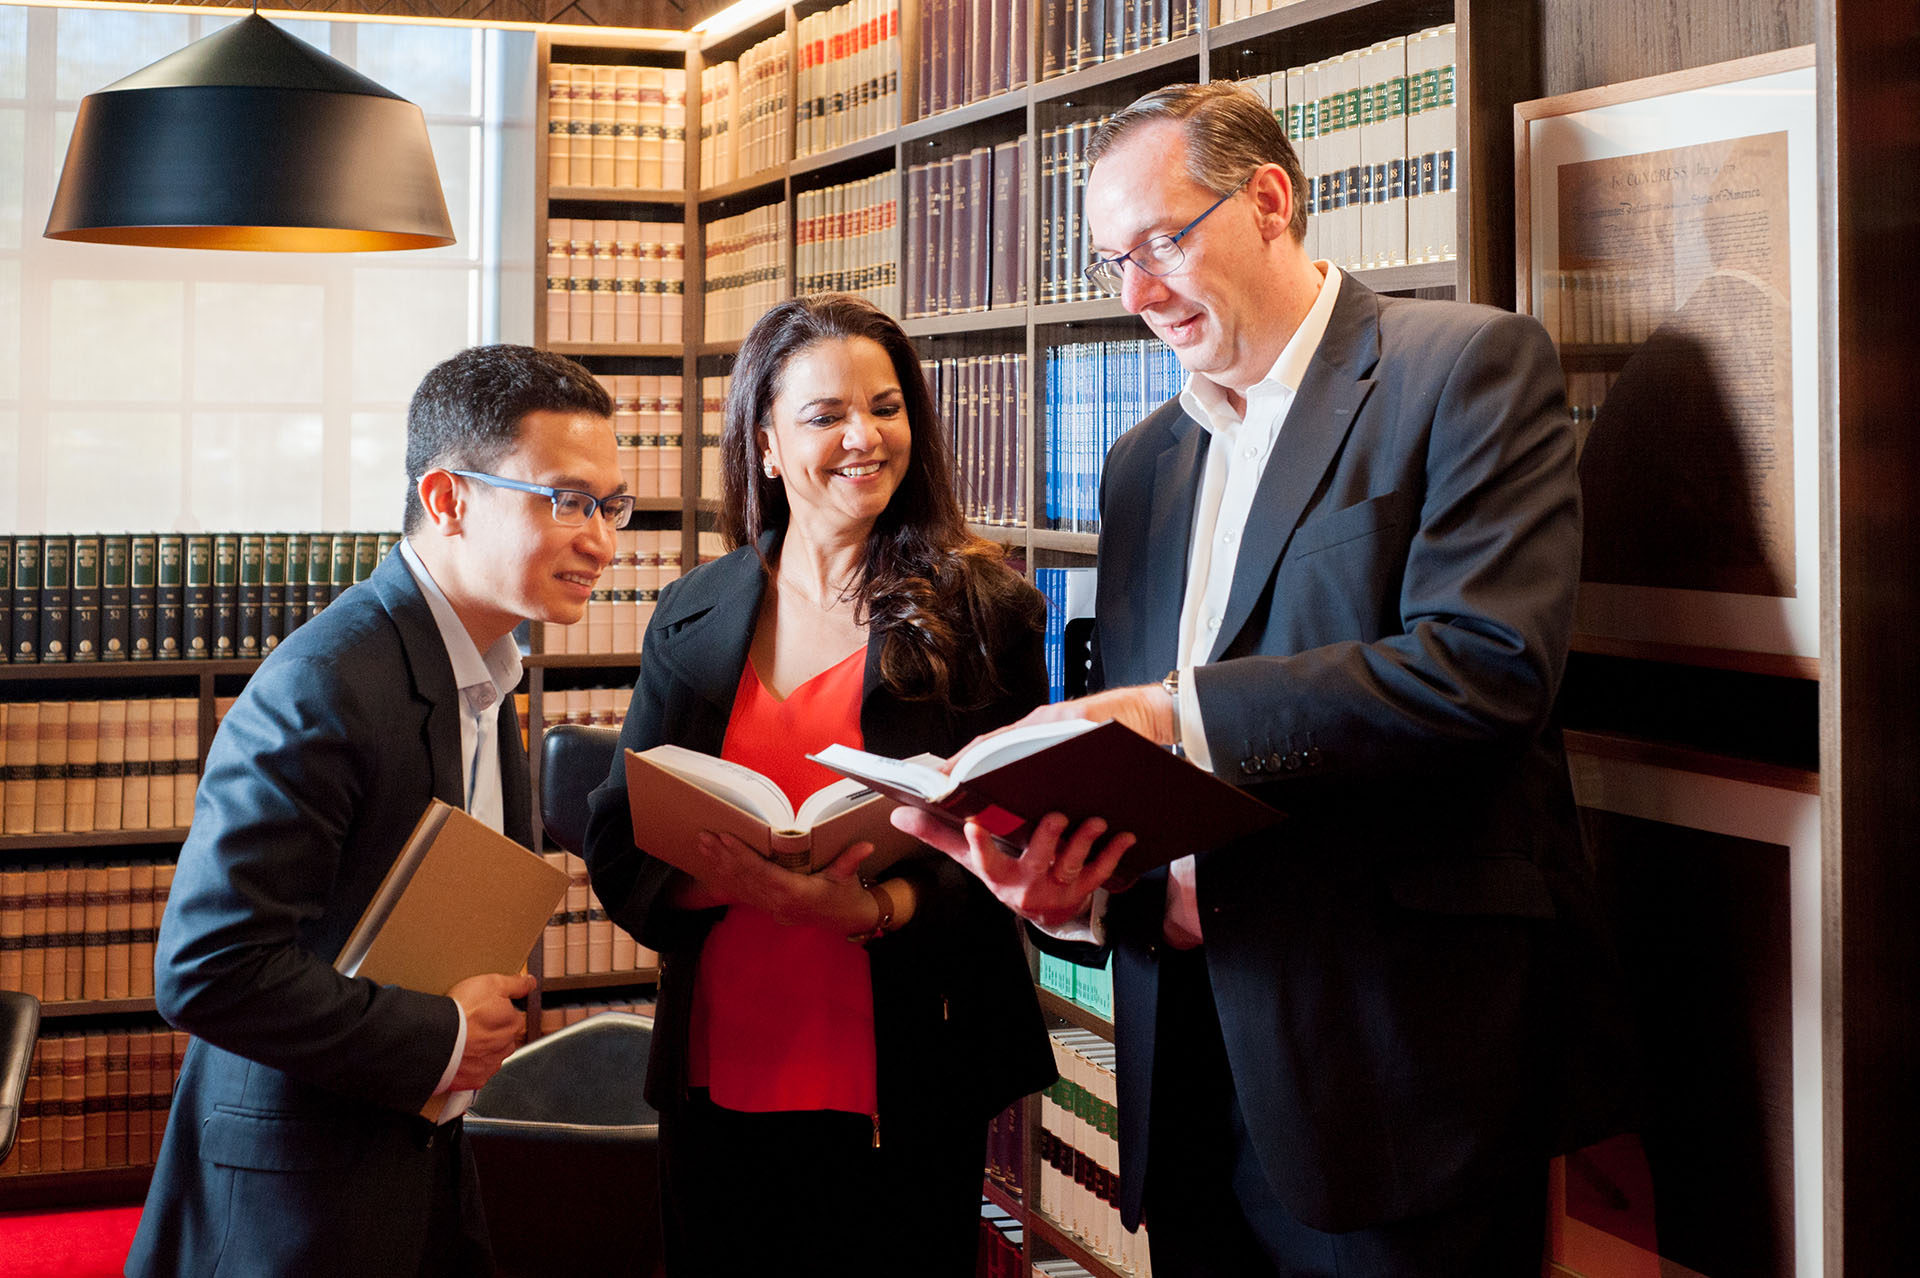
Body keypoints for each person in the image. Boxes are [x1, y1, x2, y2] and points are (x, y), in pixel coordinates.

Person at [896, 82, 1631, 1277]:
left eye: (1159, 246)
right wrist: (1073, 887)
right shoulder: (1142, 467)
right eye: (1109, 263)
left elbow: (1488, 669)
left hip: (1391, 1072)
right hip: (1185, 1070)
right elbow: (1157, 788)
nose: (1135, 294)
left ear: (1270, 201)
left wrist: (1170, 712)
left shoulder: (1463, 370)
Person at [126, 345, 629, 1277]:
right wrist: (442, 1035)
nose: (600, 539)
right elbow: (205, 969)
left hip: (419, 1154)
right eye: (565, 500)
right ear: (449, 499)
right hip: (298, 1189)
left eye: (610, 505)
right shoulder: (328, 681)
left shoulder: (483, 669)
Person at [582, 293, 1055, 1278]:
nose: (863, 437)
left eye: (885, 408)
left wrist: (877, 902)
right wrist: (731, 880)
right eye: (826, 414)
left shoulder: (987, 612)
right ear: (762, 443)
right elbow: (621, 835)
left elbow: (1018, 840)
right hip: (719, 1070)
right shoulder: (691, 612)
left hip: (907, 1067)